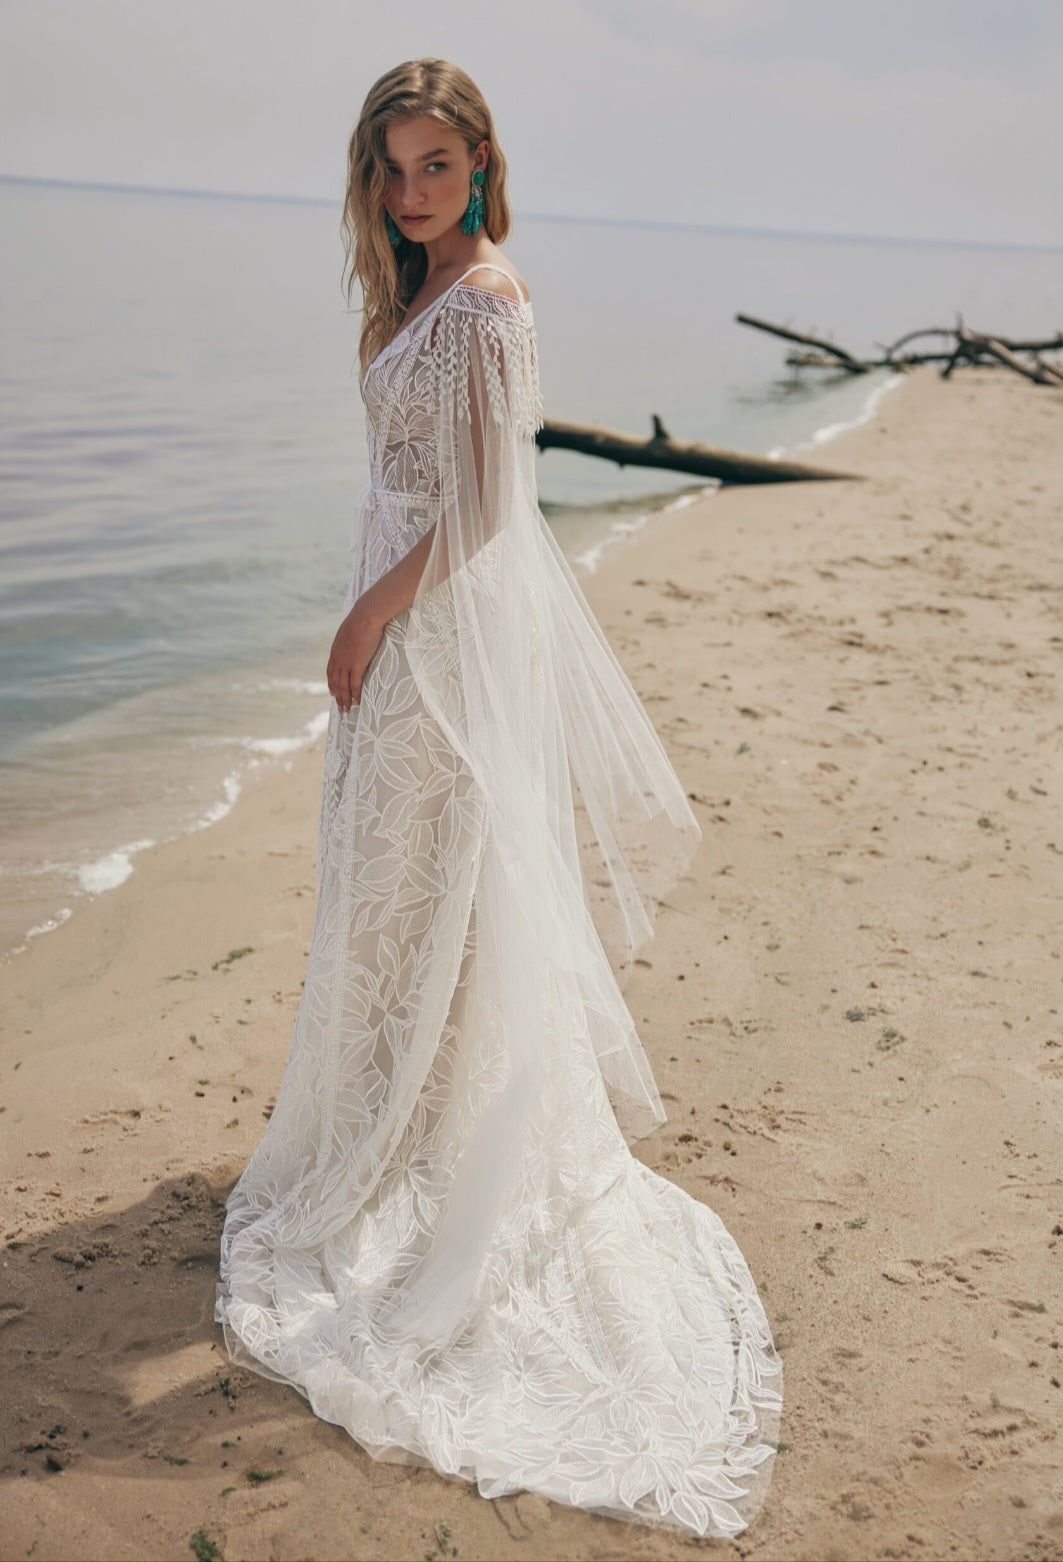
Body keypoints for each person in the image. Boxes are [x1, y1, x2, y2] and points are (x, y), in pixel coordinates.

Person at [215, 57, 782, 1540]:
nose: (411, 192)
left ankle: (429, 1153)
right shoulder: (408, 289)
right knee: (387, 883)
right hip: (399, 617)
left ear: (480, 165)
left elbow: (487, 502)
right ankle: (384, 1128)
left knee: (437, 883)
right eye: (391, 168)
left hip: (438, 630)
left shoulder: (489, 302)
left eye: (434, 168)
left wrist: (370, 618)